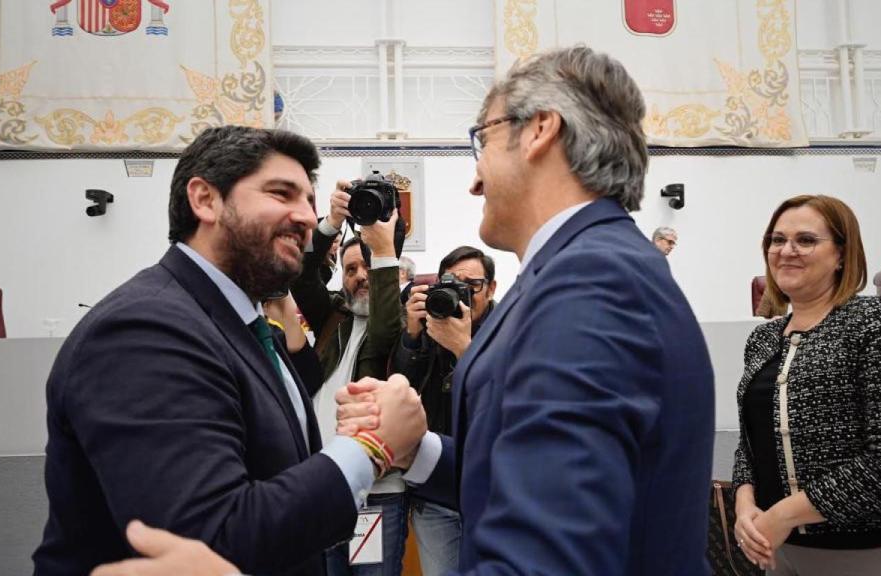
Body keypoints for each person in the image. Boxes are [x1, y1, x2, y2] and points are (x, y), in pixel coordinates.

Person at [92, 45, 716, 576]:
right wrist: (415, 447)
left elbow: (547, 552)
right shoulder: (583, 273)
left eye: (482, 140)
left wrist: (368, 449)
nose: (474, 178)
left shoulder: (590, 284)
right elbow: (525, 474)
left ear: (540, 132)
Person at [35, 125, 426, 576]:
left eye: (310, 202)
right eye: (282, 194)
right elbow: (208, 542)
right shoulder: (145, 329)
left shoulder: (248, 328)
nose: (304, 216)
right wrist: (372, 447)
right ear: (204, 199)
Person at [732, 195, 881, 575]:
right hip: (781, 551)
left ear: (842, 255)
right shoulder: (764, 339)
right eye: (776, 240)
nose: (786, 251)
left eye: (806, 240)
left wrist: (782, 514)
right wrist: (744, 503)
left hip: (875, 551)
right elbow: (751, 442)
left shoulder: (879, 322)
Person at [290, 191, 408, 576]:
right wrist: (330, 224)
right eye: (351, 269)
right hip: (324, 490)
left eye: (368, 267)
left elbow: (386, 326)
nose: (360, 277)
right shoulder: (332, 316)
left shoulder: (401, 326)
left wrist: (384, 250)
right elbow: (303, 277)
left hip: (375, 496)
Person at [392, 246, 497, 575]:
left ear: (491, 288)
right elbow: (401, 387)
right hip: (436, 490)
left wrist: (463, 349)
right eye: (453, 284)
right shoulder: (429, 328)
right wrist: (411, 333)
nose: (462, 296)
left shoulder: (508, 332)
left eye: (472, 286)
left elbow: (502, 399)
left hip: (490, 490)